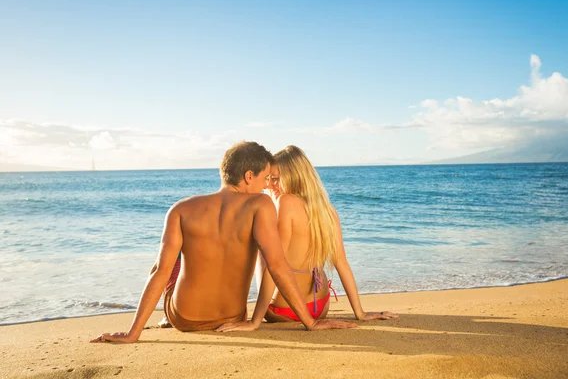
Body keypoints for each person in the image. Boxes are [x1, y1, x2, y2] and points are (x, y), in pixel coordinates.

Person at [91, 141, 355, 343]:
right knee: (266, 248)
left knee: (167, 263)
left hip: (184, 318)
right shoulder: (260, 204)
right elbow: (277, 265)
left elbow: (160, 274)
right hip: (231, 318)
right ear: (249, 176)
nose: (266, 187)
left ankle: (161, 320)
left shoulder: (180, 209)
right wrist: (309, 322)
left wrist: (132, 334)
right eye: (265, 179)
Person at [216, 145, 396, 333]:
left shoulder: (285, 202)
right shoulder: (328, 211)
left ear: (293, 177)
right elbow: (341, 263)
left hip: (283, 310)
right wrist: (360, 312)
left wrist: (255, 321)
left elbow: (274, 266)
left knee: (266, 249)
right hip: (320, 306)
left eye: (275, 179)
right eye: (268, 179)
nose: (270, 185)